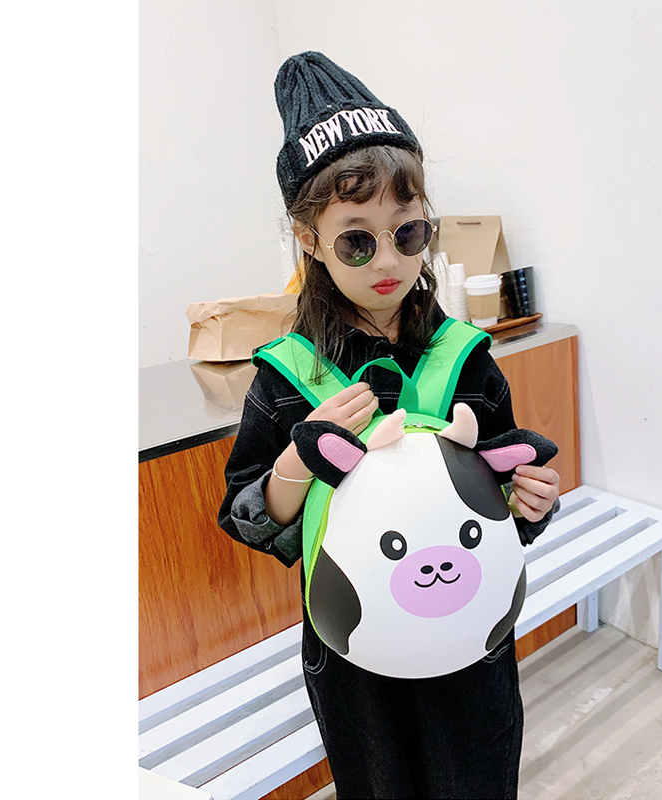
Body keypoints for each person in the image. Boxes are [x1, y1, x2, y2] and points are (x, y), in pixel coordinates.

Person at [218, 51, 560, 800]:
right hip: (356, 663)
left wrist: (529, 501)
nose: (387, 261)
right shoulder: (288, 377)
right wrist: (297, 462)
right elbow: (247, 514)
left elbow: (500, 496)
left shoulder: (466, 357)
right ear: (308, 237)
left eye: (407, 234)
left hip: (470, 644)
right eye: (356, 240)